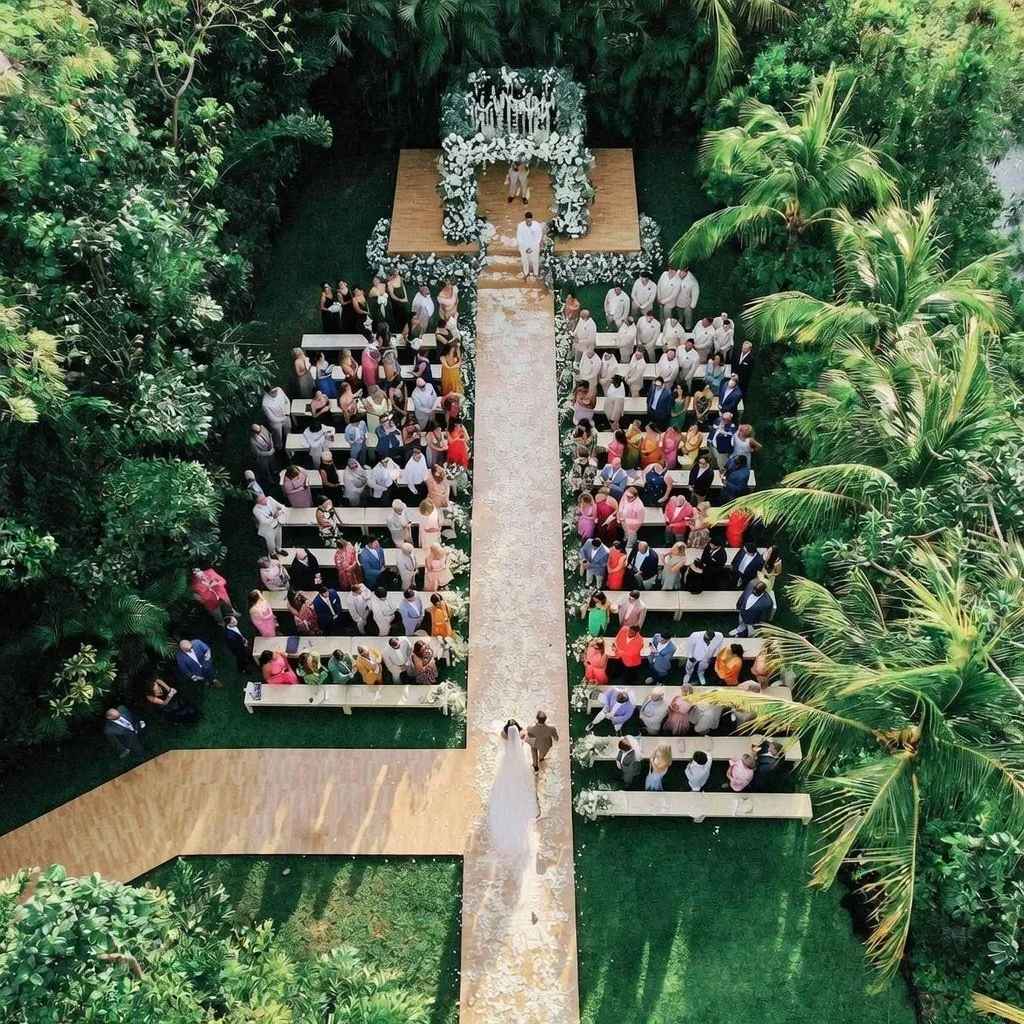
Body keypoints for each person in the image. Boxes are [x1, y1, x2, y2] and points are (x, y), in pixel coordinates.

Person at [488, 722, 537, 860]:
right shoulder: (521, 740)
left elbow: (503, 741)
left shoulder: (505, 740)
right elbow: (525, 739)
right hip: (519, 765)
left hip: (508, 766)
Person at [262, 385, 291, 451]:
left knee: (288, 429)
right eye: (272, 392)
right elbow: (271, 417)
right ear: (267, 392)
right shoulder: (265, 403)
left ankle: (289, 440)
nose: (275, 393)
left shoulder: (279, 390)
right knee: (278, 435)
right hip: (276, 422)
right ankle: (279, 446)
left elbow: (287, 401)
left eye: (275, 391)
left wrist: (287, 413)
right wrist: (282, 419)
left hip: (285, 415)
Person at [517, 211, 544, 279]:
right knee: (525, 260)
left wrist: (532, 248)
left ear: (531, 219)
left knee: (535, 260)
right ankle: (526, 273)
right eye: (527, 221)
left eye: (530, 220)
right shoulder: (520, 226)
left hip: (534, 246)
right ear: (525, 219)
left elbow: (538, 237)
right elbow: (519, 237)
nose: (529, 222)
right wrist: (525, 247)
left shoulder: (537, 225)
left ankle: (536, 274)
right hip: (524, 246)